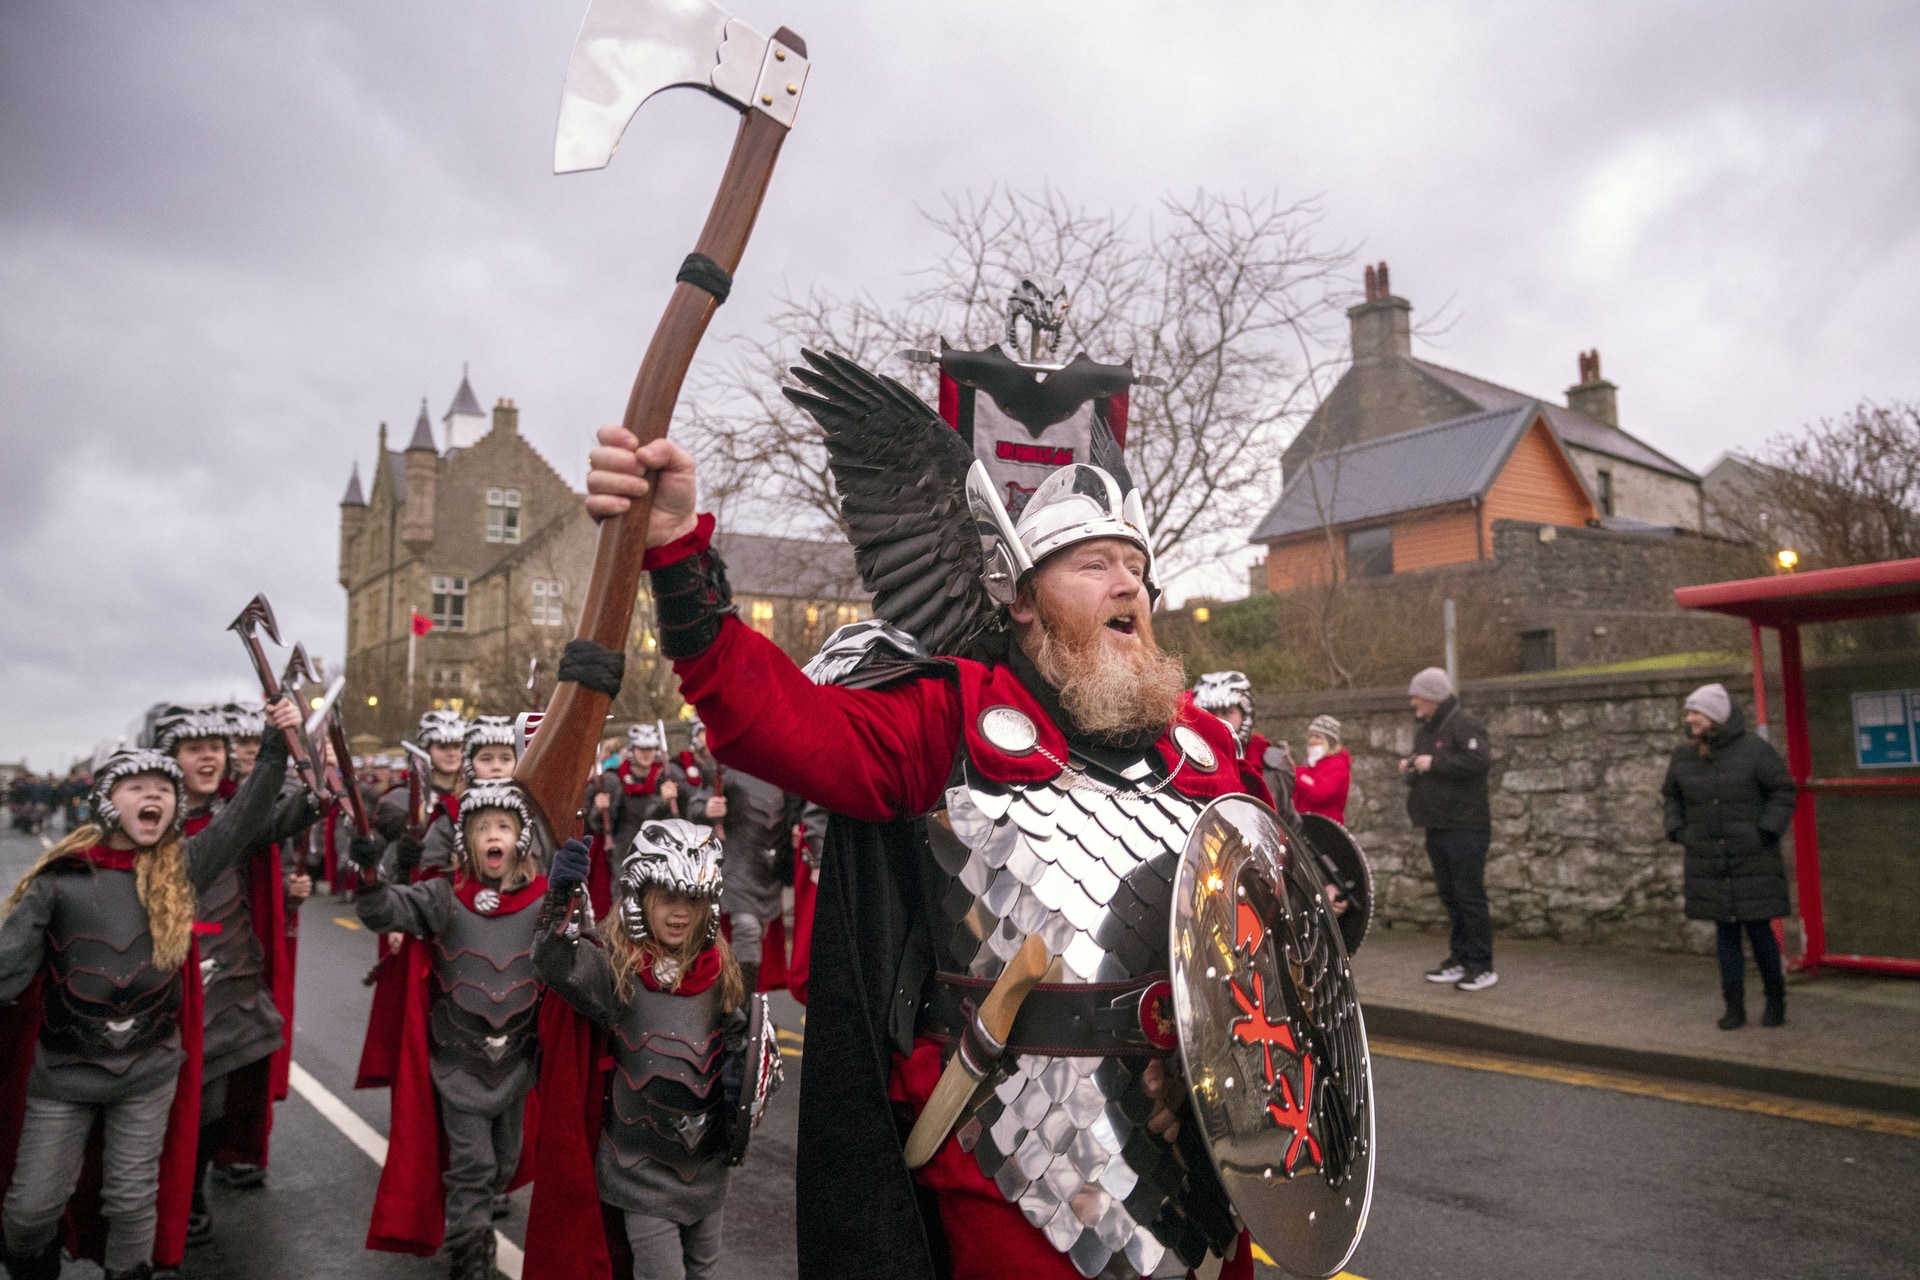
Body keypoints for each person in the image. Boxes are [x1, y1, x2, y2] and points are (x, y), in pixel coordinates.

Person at [573, 359, 1358, 1279]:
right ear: (1021, 600)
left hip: (1197, 1160)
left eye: (1138, 570)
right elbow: (777, 723)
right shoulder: (952, 716)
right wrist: (674, 547)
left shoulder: (1200, 749)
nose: (1128, 588)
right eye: (1095, 564)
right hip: (1012, 1166)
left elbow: (1268, 937)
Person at [0, 707, 295, 1280]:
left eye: (163, 787)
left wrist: (274, 745)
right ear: (111, 800)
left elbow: (241, 819)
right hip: (62, 1075)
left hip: (149, 1072)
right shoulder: (58, 878)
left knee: (132, 1202)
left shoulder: (183, 869)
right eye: (138, 786)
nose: (153, 795)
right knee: (29, 1210)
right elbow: (8, 974)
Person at [527, 821, 750, 1280]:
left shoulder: (719, 970)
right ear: (639, 896)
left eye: (693, 900)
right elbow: (555, 963)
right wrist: (561, 896)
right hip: (638, 1169)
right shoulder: (615, 967)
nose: (680, 913)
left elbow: (745, 1049)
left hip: (707, 1168)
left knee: (703, 1271)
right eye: (668, 897)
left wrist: (741, 1082)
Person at [349, 781, 546, 1279]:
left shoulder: (545, 901)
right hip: (458, 1060)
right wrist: (371, 875)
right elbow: (380, 911)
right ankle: (469, 1253)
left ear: (521, 839)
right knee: (473, 1165)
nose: (493, 837)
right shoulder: (443, 895)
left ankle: (471, 1214)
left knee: (505, 1162)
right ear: (467, 843)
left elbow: (578, 955)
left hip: (519, 1064)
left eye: (504, 827)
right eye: (483, 830)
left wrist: (576, 903)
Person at [151, 702, 315, 1237]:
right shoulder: (147, 824)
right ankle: (152, 1198)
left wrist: (315, 783)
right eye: (195, 748)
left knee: (212, 1102)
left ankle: (192, 1195)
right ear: (170, 758)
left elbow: (281, 817)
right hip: (164, 988)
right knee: (156, 1104)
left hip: (229, 980)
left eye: (216, 748)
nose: (209, 758)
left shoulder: (235, 816)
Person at [1661, 682, 1797, 1030]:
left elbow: (1783, 790)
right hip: (1708, 858)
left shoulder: (1754, 750)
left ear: (1714, 717)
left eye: (1695, 712)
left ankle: (1775, 1002)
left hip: (1752, 857)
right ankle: (1733, 1007)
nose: (1689, 718)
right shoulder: (1684, 755)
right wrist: (1679, 831)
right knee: (1726, 935)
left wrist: (1766, 831)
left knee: (1760, 931)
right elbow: (1671, 797)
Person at [1400, 668, 1497, 992]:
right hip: (1438, 826)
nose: (1413, 702)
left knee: (1469, 896)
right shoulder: (1426, 729)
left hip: (1466, 826)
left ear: (1431, 696)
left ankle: (1481, 965)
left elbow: (1479, 760)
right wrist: (1411, 767)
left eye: (1417, 696)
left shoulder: (1464, 724)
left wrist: (1434, 762)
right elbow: (1422, 770)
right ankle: (1459, 958)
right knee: (1451, 896)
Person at [1191, 670, 1295, 816]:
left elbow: (1287, 825)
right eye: (1210, 712)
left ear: (1245, 714)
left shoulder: (1274, 765)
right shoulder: (1185, 760)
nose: (1218, 720)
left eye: (1227, 712)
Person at [1292, 714, 1350, 823]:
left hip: (1325, 828)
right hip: (1306, 824)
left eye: (1318, 737)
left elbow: (1319, 794)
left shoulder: (1338, 766)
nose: (1312, 740)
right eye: (1311, 736)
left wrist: (1294, 774)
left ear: (1330, 742)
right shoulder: (1310, 767)